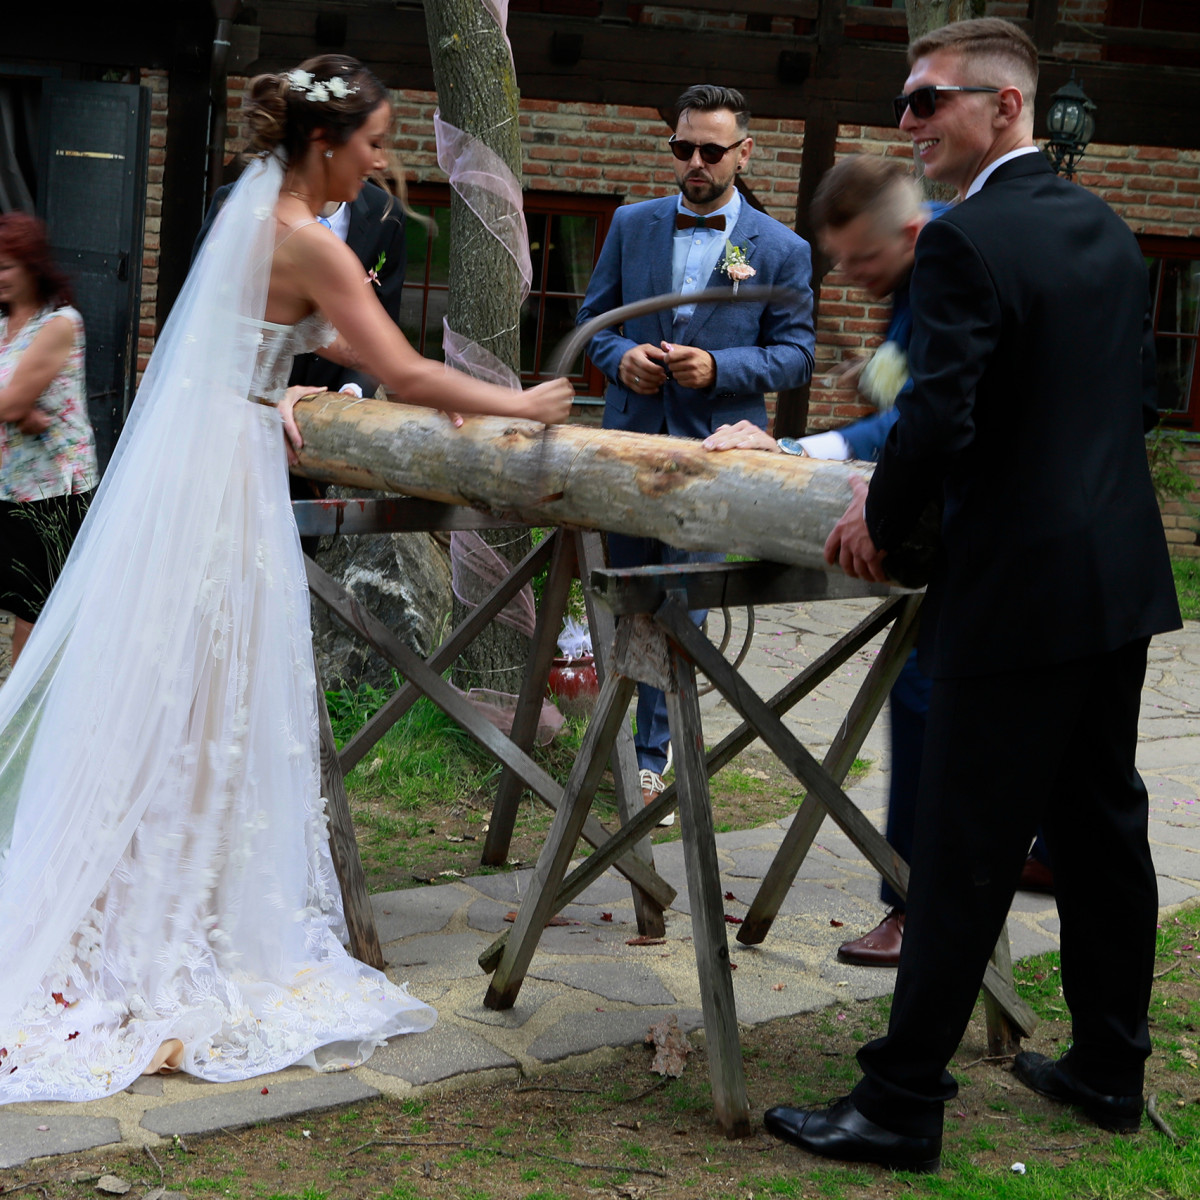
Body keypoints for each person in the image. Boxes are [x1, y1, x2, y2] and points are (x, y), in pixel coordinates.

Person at [0, 54, 572, 1103]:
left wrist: (289, 389)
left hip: (203, 448)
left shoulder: (251, 213)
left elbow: (257, 343)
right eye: (374, 143)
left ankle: (147, 900)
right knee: (214, 690)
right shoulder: (310, 238)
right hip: (227, 476)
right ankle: (169, 923)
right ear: (323, 142)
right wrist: (523, 405)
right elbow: (403, 369)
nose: (380, 163)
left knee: (180, 691)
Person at [763, 18, 1181, 1172]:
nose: (907, 121)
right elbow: (1129, 400)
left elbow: (940, 416)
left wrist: (881, 518)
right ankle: (1110, 1067)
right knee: (1101, 831)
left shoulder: (963, 239)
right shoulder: (1104, 226)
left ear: (1003, 107)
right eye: (905, 101)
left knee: (960, 849)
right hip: (1113, 584)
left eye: (927, 99)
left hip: (1014, 594)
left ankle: (900, 1104)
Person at [706, 156, 1053, 964]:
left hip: (1014, 524)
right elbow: (907, 392)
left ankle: (913, 904)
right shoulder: (912, 272)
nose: (852, 277)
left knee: (928, 691)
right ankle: (1037, 849)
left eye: (862, 259)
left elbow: (929, 415)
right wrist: (880, 386)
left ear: (912, 232)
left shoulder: (949, 261)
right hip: (1001, 520)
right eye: (841, 262)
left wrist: (796, 447)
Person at [577, 83, 815, 820]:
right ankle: (612, 746)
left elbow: (797, 355)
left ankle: (653, 757)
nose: (695, 163)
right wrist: (619, 359)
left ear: (745, 153)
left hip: (715, 456)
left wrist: (721, 369)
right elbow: (594, 322)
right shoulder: (631, 224)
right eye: (683, 148)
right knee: (620, 596)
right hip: (627, 446)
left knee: (683, 606)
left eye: (712, 150)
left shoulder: (782, 249)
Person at [195, 164, 408, 557]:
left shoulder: (386, 215)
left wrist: (343, 399)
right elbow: (202, 323)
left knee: (293, 568)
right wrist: (264, 396)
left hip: (310, 445)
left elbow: (381, 332)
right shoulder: (239, 206)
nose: (379, 162)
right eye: (373, 143)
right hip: (231, 437)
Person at [0, 212, 97, 669]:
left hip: (51, 494)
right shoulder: (3, 326)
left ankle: (23, 709)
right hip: (9, 486)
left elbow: (10, 402)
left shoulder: (60, 324)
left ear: (32, 266)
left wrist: (17, 408)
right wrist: (18, 411)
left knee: (34, 616)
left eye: (6, 267)